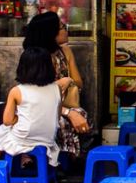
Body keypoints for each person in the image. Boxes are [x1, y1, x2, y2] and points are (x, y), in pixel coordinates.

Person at [0, 46, 74, 167]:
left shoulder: (17, 91)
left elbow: (7, 121)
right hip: (47, 138)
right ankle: (25, 159)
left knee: (0, 132)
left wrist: (18, 118)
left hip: (24, 137)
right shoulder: (56, 89)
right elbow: (57, 115)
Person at [23, 11, 90, 157]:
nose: (66, 30)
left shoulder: (65, 52)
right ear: (50, 33)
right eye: (61, 27)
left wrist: (68, 81)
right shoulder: (36, 58)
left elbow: (78, 82)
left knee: (80, 114)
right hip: (39, 109)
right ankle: (51, 160)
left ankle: (66, 159)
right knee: (60, 122)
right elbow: (35, 97)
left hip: (62, 104)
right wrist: (58, 87)